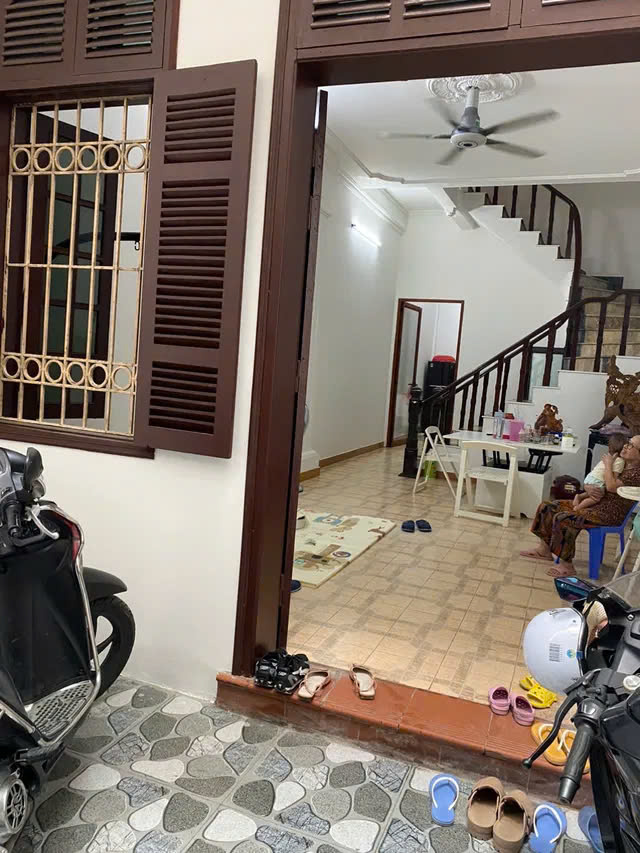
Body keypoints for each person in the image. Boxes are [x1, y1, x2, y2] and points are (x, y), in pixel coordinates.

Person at [520, 435, 640, 578]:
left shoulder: (636, 473)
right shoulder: (622, 463)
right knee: (548, 506)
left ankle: (566, 565)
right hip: (594, 503)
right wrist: (587, 488)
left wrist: (608, 464)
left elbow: (611, 486)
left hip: (608, 513)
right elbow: (599, 481)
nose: (625, 446)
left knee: (564, 518)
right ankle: (544, 550)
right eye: (627, 442)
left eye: (631, 445)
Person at [573, 433, 626, 512]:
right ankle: (578, 508)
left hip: (590, 477)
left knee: (595, 492)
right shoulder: (620, 461)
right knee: (595, 498)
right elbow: (613, 479)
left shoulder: (608, 456)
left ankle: (579, 496)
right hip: (598, 480)